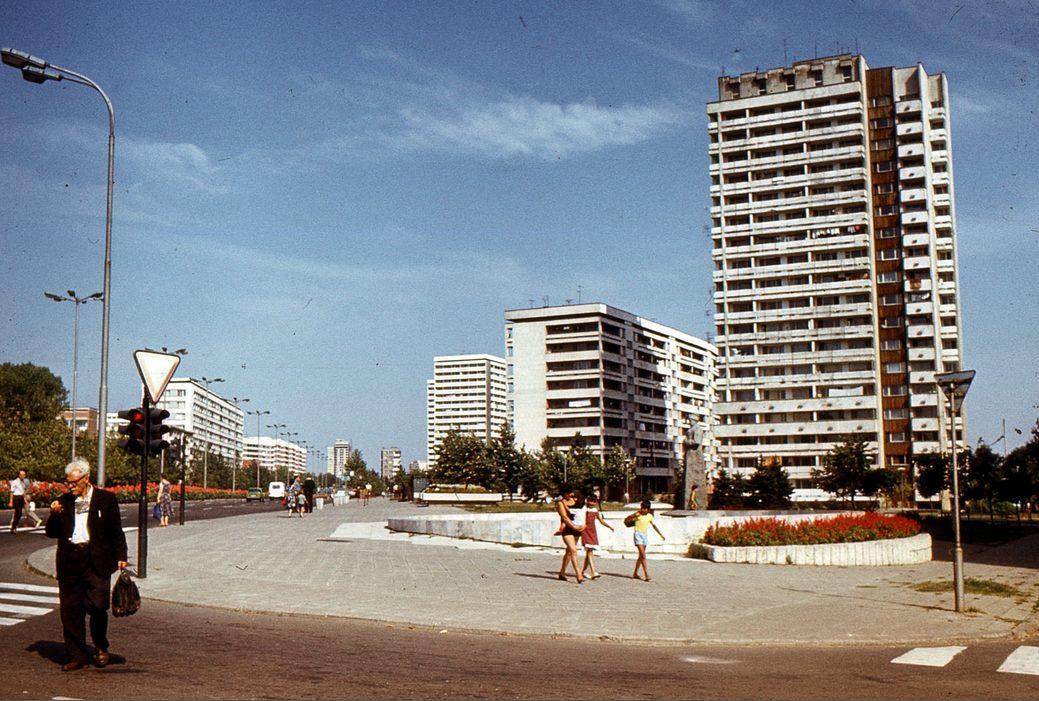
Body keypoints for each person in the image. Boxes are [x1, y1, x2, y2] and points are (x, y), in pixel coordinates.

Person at [45, 459, 128, 671]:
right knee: (70, 610)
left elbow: (116, 530)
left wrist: (121, 555)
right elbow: (51, 533)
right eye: (68, 482)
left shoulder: (106, 499)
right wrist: (54, 516)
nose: (70, 486)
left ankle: (100, 645)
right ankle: (77, 655)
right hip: (70, 559)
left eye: (74, 482)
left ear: (86, 478)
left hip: (96, 559)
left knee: (98, 606)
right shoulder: (63, 502)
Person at [580, 493, 614, 580]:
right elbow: (581, 519)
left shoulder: (595, 510)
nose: (592, 503)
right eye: (590, 501)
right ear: (587, 501)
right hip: (585, 531)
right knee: (589, 551)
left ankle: (583, 572)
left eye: (594, 501)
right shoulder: (584, 509)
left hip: (592, 531)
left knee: (589, 552)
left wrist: (609, 526)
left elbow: (601, 520)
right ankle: (593, 571)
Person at [554, 489, 584, 583]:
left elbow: (582, 513)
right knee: (573, 550)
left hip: (577, 528)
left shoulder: (575, 500)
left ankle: (562, 573)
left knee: (569, 552)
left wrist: (583, 525)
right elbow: (564, 517)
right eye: (568, 493)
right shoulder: (560, 503)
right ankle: (578, 574)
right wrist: (573, 527)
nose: (570, 495)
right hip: (568, 529)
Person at [631, 499, 665, 582]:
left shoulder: (650, 516)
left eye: (645, 508)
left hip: (644, 536)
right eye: (642, 508)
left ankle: (635, 573)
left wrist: (660, 534)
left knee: (641, 556)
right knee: (643, 555)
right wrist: (634, 516)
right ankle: (646, 574)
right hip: (637, 534)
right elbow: (628, 520)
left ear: (648, 509)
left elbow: (654, 526)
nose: (643, 510)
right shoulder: (638, 514)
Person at [9, 469, 30, 533]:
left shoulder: (23, 482)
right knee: (18, 512)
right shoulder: (15, 482)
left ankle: (14, 527)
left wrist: (25, 499)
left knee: (19, 514)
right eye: (22, 475)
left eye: (24, 475)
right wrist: (11, 501)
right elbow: (11, 492)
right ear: (19, 475)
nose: (23, 476)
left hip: (21, 498)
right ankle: (13, 527)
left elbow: (23, 492)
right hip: (16, 497)